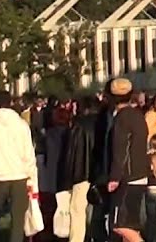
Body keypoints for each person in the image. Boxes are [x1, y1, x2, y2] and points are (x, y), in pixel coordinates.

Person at [0, 89, 38, 242]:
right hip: (20, 175)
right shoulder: (21, 124)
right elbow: (28, 154)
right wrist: (31, 177)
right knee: (18, 221)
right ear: (11, 103)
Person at [105, 79, 150, 242]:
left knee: (118, 224)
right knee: (131, 225)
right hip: (140, 174)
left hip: (127, 177)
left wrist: (115, 176)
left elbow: (120, 149)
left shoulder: (121, 119)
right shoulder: (138, 116)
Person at [59, 96, 95, 242]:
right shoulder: (104, 122)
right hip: (97, 171)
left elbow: (71, 152)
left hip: (81, 172)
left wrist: (67, 175)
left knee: (77, 210)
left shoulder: (78, 125)